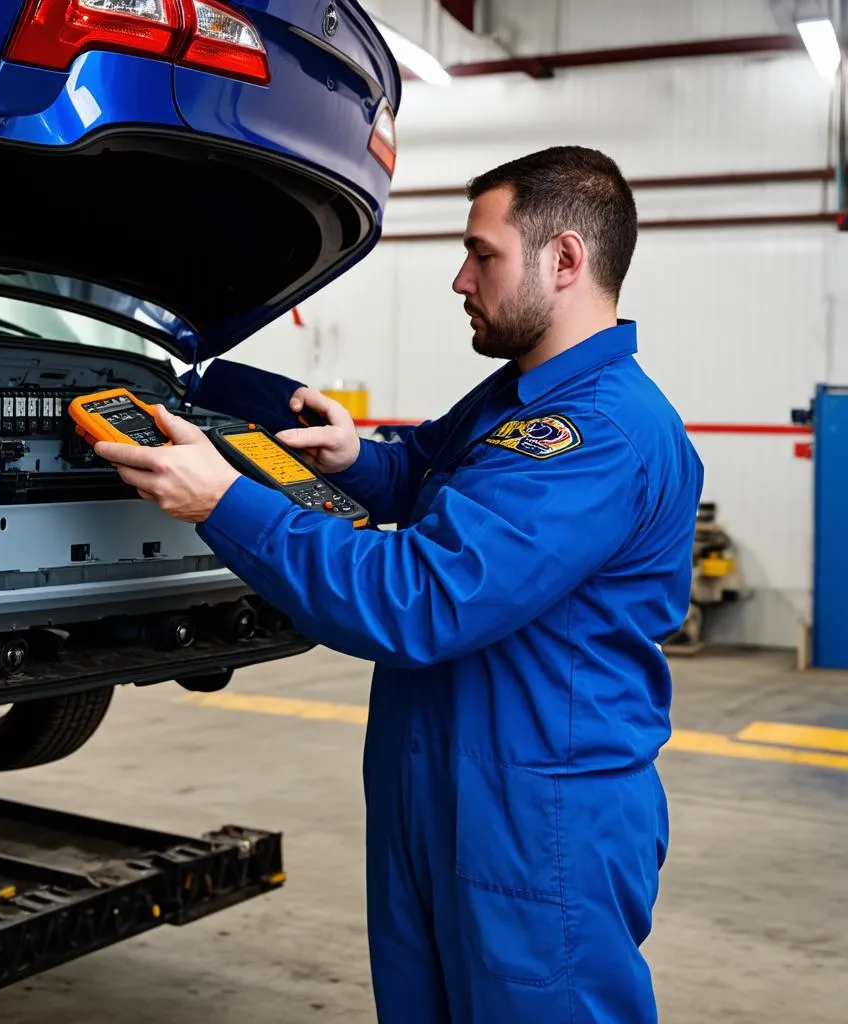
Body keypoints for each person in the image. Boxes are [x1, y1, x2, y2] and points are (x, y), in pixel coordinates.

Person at [95, 145, 705, 1023]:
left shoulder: (598, 435)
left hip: (540, 822)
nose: (461, 279)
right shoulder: (518, 398)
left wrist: (224, 502)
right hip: (441, 789)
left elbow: (417, 598)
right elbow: (425, 470)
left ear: (565, 259)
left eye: (482, 254)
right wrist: (355, 459)